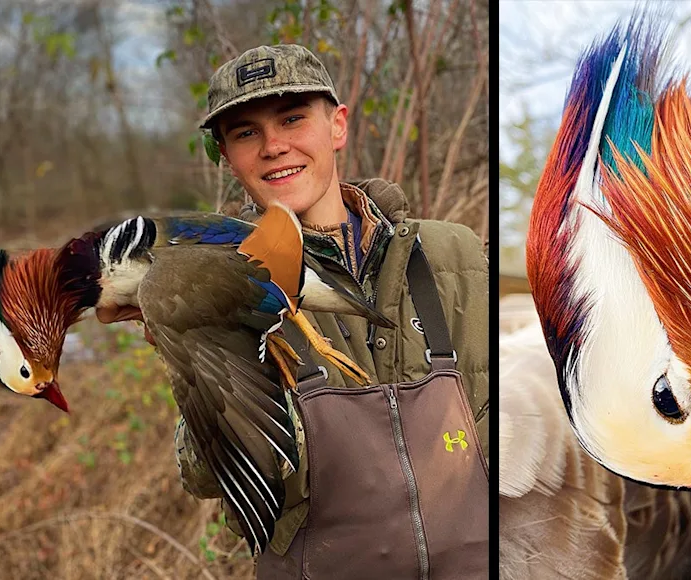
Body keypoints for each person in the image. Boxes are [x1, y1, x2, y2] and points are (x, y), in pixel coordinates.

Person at [172, 44, 489, 578]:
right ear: (227, 156)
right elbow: (203, 474)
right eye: (246, 132)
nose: (274, 146)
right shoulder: (217, 288)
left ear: (337, 126)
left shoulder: (452, 256)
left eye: (293, 118)